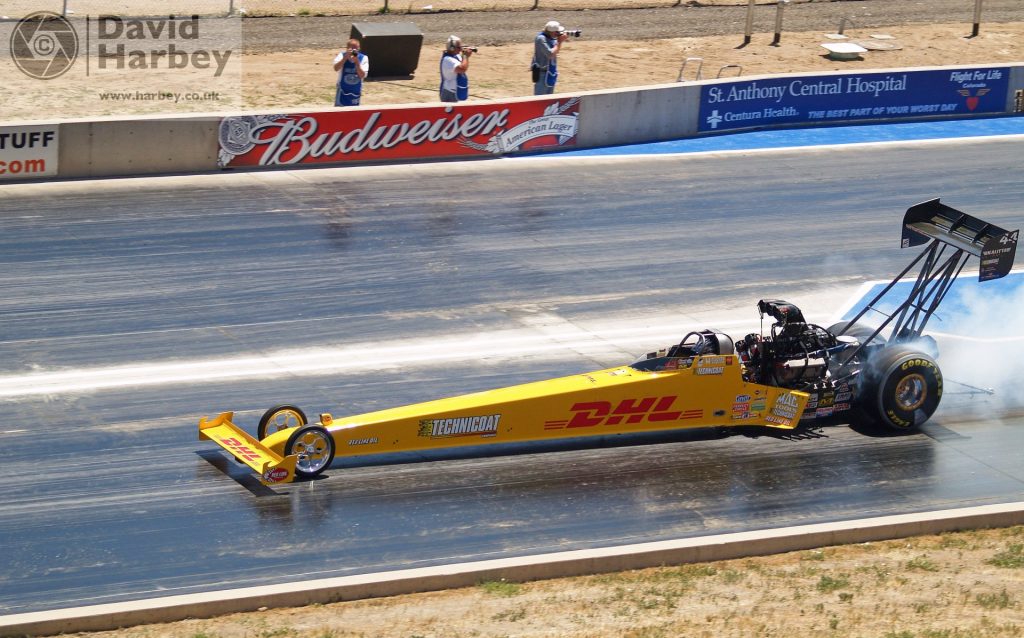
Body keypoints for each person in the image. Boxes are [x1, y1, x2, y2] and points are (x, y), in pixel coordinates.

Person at [532, 20, 568, 96]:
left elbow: (555, 52)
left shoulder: (552, 38)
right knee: (539, 100)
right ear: (552, 32)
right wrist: (559, 42)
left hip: (550, 72)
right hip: (542, 73)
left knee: (549, 99)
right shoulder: (540, 39)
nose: (559, 34)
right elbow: (550, 54)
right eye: (557, 32)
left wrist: (559, 41)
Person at [333, 38, 369, 107]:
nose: (354, 51)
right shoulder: (341, 55)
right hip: (342, 91)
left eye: (356, 49)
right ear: (347, 49)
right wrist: (345, 58)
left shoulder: (363, 58)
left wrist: (357, 62)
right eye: (352, 49)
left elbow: (362, 75)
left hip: (355, 92)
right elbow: (336, 68)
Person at [439, 35, 472, 103]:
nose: (460, 49)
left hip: (458, 91)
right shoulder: (447, 60)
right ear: (451, 48)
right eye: (459, 47)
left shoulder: (456, 56)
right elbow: (462, 69)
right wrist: (465, 56)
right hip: (450, 93)